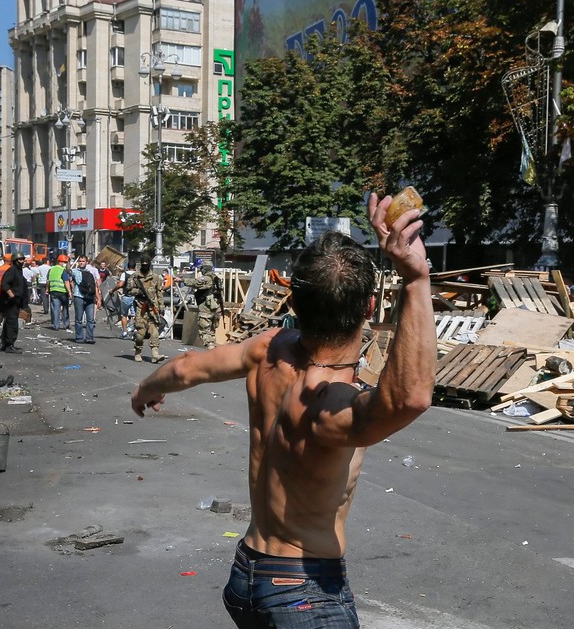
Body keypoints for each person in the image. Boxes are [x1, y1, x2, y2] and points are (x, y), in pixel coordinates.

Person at [130, 194, 435, 626]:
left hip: (247, 573)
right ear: (369, 308)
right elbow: (410, 398)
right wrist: (416, 280)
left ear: (292, 304)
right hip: (303, 592)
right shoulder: (327, 401)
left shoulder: (267, 349)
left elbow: (184, 367)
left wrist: (145, 389)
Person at [128, 257, 166, 363]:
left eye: (146, 264)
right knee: (140, 334)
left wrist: (161, 307)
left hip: (153, 309)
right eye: (143, 264)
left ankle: (155, 354)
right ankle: (138, 352)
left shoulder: (155, 278)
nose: (145, 266)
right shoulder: (135, 277)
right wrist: (138, 292)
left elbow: (159, 293)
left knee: (154, 332)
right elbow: (128, 289)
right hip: (140, 308)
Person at [180, 261, 222, 350]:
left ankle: (210, 348)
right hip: (215, 308)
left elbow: (196, 282)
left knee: (204, 330)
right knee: (211, 330)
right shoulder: (217, 278)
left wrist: (182, 280)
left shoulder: (207, 278)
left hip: (206, 308)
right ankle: (213, 351)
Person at [0, 252, 29, 354]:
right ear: (15, 261)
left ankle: (5, 344)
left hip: (16, 302)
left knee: (9, 323)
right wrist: (12, 296)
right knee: (12, 324)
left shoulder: (19, 271)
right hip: (11, 303)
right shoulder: (12, 270)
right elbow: (5, 285)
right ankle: (9, 345)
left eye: (23, 259)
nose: (22, 261)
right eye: (20, 259)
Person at [72, 255, 102, 344]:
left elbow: (95, 286)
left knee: (91, 319)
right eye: (80, 261)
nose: (81, 263)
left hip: (90, 297)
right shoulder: (75, 271)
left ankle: (89, 338)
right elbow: (67, 271)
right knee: (79, 319)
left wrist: (99, 299)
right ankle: (79, 337)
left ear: (87, 262)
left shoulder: (91, 272)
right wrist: (68, 261)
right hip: (79, 296)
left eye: (83, 261)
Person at [108, 261, 137, 339]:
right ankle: (135, 331)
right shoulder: (138, 274)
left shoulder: (125, 274)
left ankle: (124, 332)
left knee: (124, 315)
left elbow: (120, 284)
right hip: (136, 297)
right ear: (135, 267)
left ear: (127, 267)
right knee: (135, 315)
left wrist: (112, 290)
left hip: (127, 296)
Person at [47, 254, 72, 331]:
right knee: (65, 308)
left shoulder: (51, 269)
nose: (64, 263)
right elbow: (66, 281)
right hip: (62, 292)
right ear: (60, 262)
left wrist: (47, 289)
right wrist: (70, 292)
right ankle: (66, 324)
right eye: (64, 262)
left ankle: (56, 325)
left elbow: (48, 281)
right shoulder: (62, 270)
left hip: (53, 292)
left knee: (55, 309)